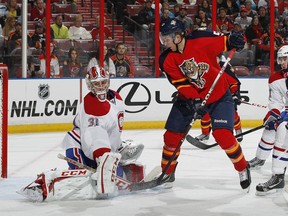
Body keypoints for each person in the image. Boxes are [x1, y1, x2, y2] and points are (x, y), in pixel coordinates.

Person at [18, 65, 146, 201]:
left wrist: (118, 147)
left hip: (104, 154)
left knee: (119, 176)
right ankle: (47, 184)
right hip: (80, 148)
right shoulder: (91, 103)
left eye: (103, 82)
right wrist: (103, 158)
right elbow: (94, 134)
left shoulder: (117, 98)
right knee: (84, 176)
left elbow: (112, 129)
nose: (101, 86)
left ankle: (111, 169)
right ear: (90, 85)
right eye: (96, 84)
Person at [158, 18, 251, 190]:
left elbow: (227, 41)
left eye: (167, 39)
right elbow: (181, 84)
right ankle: (167, 172)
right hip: (188, 98)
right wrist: (195, 99)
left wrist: (235, 40)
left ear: (178, 37)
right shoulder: (166, 59)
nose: (164, 42)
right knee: (171, 137)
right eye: (163, 38)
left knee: (223, 136)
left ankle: (243, 167)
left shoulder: (201, 39)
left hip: (219, 95)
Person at [248, 45, 288, 195]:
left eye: (286, 59)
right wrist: (274, 113)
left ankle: (278, 175)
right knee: (271, 127)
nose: (283, 62)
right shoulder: (276, 78)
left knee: (284, 131)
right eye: (281, 59)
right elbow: (276, 102)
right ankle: (260, 158)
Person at [195, 56, 243, 142]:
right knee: (204, 114)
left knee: (232, 112)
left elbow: (234, 83)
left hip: (224, 95)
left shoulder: (225, 67)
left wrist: (235, 94)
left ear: (219, 58)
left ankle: (238, 130)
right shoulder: (203, 67)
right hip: (209, 95)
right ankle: (205, 133)